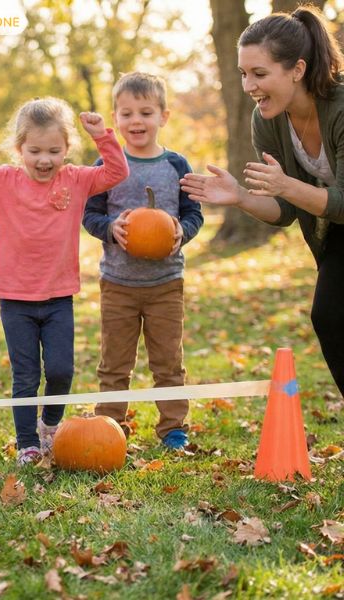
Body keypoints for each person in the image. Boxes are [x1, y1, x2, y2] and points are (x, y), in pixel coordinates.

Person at [0, 97, 129, 465]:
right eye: (35, 151)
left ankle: (50, 424)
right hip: (16, 299)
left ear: (67, 149)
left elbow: (116, 173)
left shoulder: (75, 179)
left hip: (59, 296)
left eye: (54, 151)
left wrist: (102, 136)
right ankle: (27, 441)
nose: (45, 160)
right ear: (19, 149)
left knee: (61, 371)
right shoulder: (1, 180)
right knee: (26, 376)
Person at [180, 6, 344, 396]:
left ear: (297, 70)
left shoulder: (340, 108)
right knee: (330, 316)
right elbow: (285, 212)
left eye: (259, 73)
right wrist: (239, 197)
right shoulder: (267, 118)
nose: (248, 85)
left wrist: (286, 185)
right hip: (336, 233)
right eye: (243, 74)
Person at [83, 72, 204, 450]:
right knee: (114, 362)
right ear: (116, 118)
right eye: (127, 113)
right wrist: (109, 228)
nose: (136, 121)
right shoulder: (106, 163)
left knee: (168, 361)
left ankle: (173, 429)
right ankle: (111, 424)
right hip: (118, 282)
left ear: (163, 117)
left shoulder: (176, 164)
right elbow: (90, 213)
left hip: (165, 283)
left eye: (146, 112)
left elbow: (193, 213)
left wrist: (182, 232)